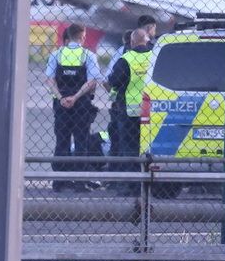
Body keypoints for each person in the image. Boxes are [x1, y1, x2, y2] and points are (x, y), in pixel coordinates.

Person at [46, 23, 101, 193]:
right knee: (81, 142)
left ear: (68, 36)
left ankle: (59, 181)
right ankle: (79, 181)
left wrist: (61, 97)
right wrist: (75, 97)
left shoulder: (57, 54)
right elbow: (92, 81)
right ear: (83, 36)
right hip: (81, 104)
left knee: (61, 142)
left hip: (61, 105)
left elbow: (49, 80)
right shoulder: (88, 55)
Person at [107, 27, 152, 196]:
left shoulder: (126, 59)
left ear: (131, 42)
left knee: (129, 149)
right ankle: (149, 182)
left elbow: (114, 81)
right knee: (150, 148)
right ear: (146, 41)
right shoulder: (154, 57)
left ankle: (132, 186)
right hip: (153, 112)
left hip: (129, 112)